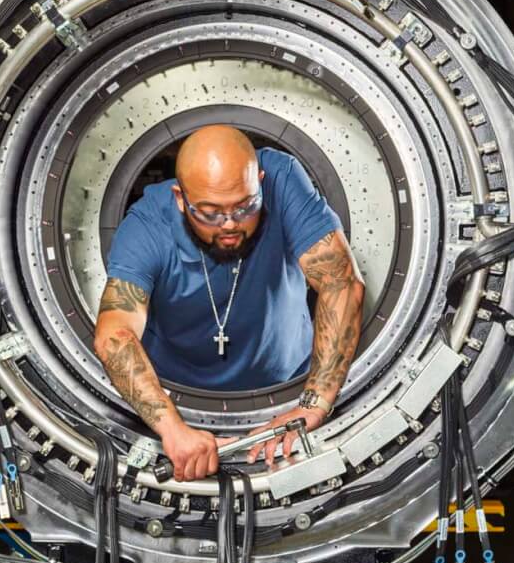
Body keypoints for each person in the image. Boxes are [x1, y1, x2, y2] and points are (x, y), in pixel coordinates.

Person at [92, 125, 365, 479]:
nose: (230, 225)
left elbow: (340, 282)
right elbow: (114, 335)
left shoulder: (282, 179)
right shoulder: (148, 223)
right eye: (209, 213)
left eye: (245, 206)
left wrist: (314, 403)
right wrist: (172, 429)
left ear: (260, 181)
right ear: (180, 198)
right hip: (178, 405)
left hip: (287, 391)